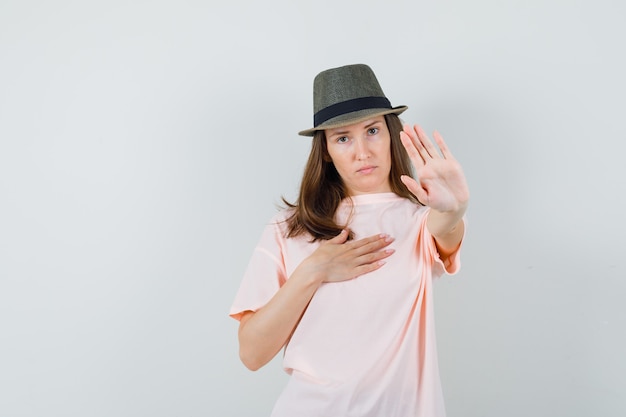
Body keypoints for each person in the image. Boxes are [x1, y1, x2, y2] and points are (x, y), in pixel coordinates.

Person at [229, 63, 469, 417]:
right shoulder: (288, 228)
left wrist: (456, 209)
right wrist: (313, 271)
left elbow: (446, 230)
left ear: (391, 133)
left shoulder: (420, 220)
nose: (362, 152)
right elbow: (251, 354)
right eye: (343, 138)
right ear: (325, 150)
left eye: (372, 130)